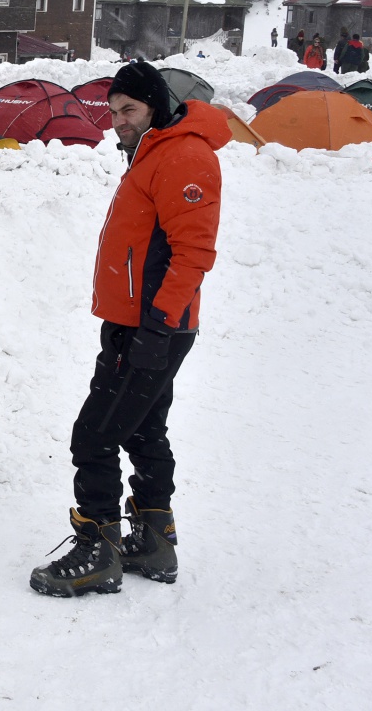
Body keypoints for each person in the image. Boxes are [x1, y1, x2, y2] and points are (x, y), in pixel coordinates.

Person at [29, 62, 229, 598]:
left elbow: (193, 253)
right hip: (135, 323)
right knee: (141, 428)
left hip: (153, 327)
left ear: (155, 107)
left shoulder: (184, 154)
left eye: (130, 110)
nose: (118, 121)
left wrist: (157, 327)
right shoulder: (154, 151)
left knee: (93, 436)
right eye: (114, 111)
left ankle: (97, 551)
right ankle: (154, 539)